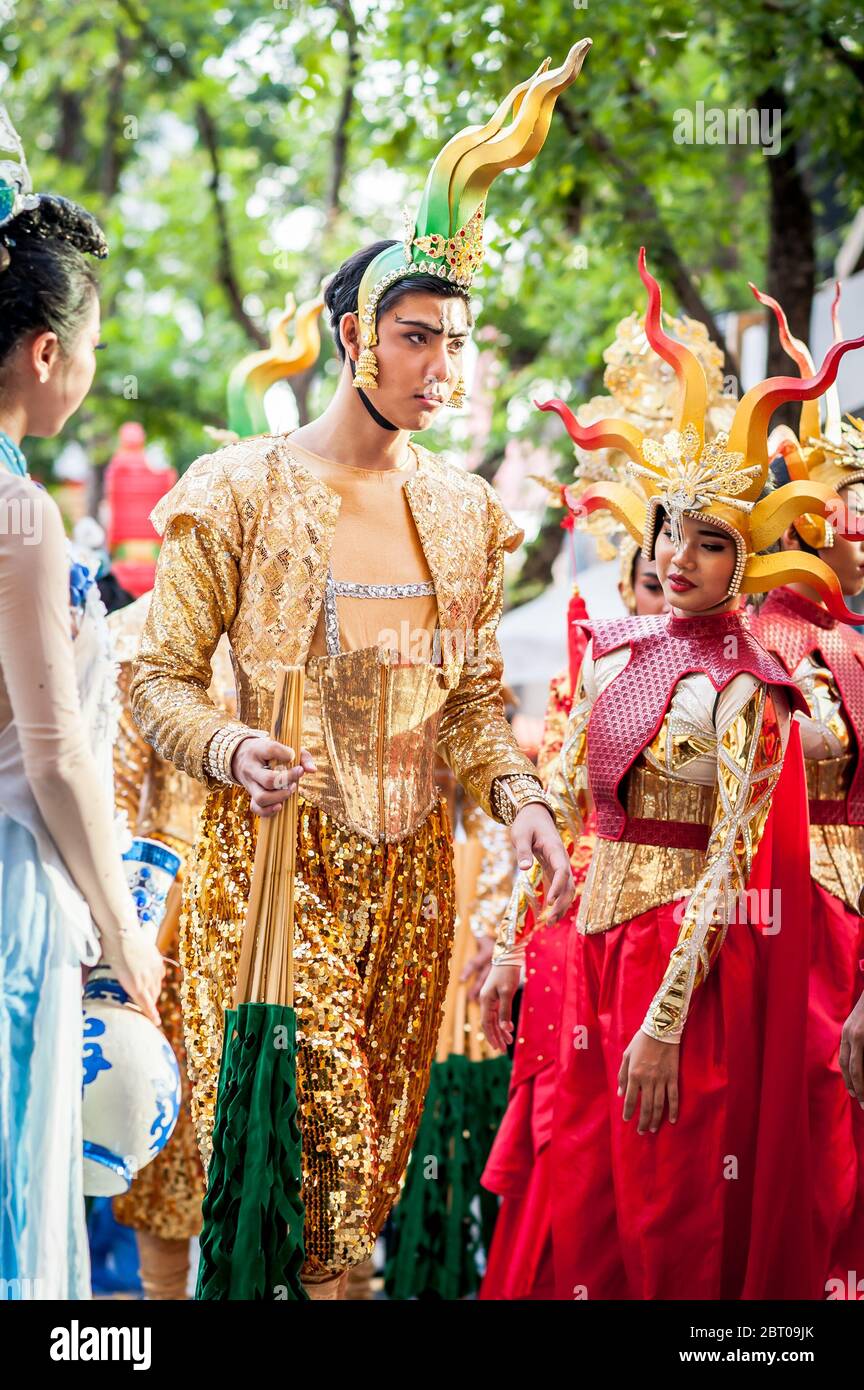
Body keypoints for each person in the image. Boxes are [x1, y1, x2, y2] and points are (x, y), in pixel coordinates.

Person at [129, 45, 588, 1299]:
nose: (442, 367)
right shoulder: (238, 490)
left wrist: (526, 801)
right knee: (319, 1173)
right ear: (352, 339)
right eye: (415, 338)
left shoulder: (465, 510)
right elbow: (156, 681)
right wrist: (230, 745)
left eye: (455, 341)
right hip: (275, 873)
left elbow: (478, 708)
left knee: (365, 1193)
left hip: (414, 889)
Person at [481, 246, 864, 1300]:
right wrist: (518, 945)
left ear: (748, 558)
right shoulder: (611, 653)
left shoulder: (758, 686)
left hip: (689, 967)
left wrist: (661, 1020)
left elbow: (733, 863)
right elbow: (561, 813)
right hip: (593, 952)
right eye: (670, 533)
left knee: (675, 1207)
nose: (680, 556)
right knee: (584, 1193)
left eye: (709, 540)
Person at [0, 107, 162, 1299]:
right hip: (17, 891)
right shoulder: (21, 515)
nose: (97, 371)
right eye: (93, 344)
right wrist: (124, 926)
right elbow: (56, 756)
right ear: (44, 352)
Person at [747, 283, 864, 1293]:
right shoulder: (768, 646)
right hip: (790, 927)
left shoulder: (849, 642)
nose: (859, 521)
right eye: (846, 501)